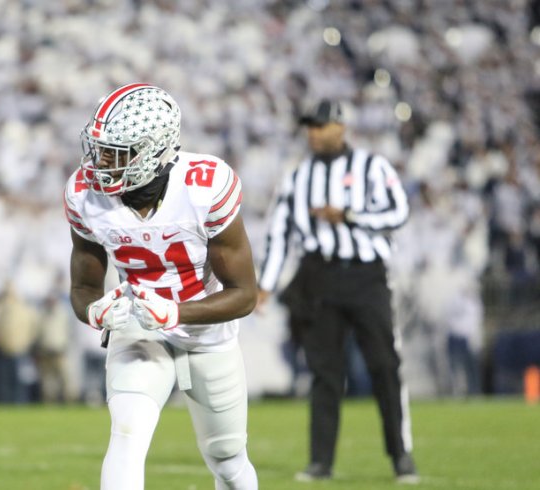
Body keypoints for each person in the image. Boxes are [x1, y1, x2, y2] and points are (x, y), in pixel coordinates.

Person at [66, 84, 258, 490]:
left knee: (227, 458)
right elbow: (83, 285)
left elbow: (244, 293)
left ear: (155, 151)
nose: (99, 162)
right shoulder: (84, 195)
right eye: (99, 148)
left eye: (115, 152)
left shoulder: (206, 185)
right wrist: (94, 311)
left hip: (206, 331)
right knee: (128, 435)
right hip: (138, 325)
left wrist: (176, 312)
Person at [256, 99, 417, 483]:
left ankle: (401, 454)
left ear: (340, 127)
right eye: (309, 126)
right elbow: (280, 233)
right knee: (324, 373)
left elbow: (399, 212)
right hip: (320, 277)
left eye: (321, 125)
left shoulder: (372, 167)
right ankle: (320, 461)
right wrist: (267, 283)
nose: (313, 132)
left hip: (366, 277)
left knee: (384, 366)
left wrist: (349, 215)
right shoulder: (296, 176)